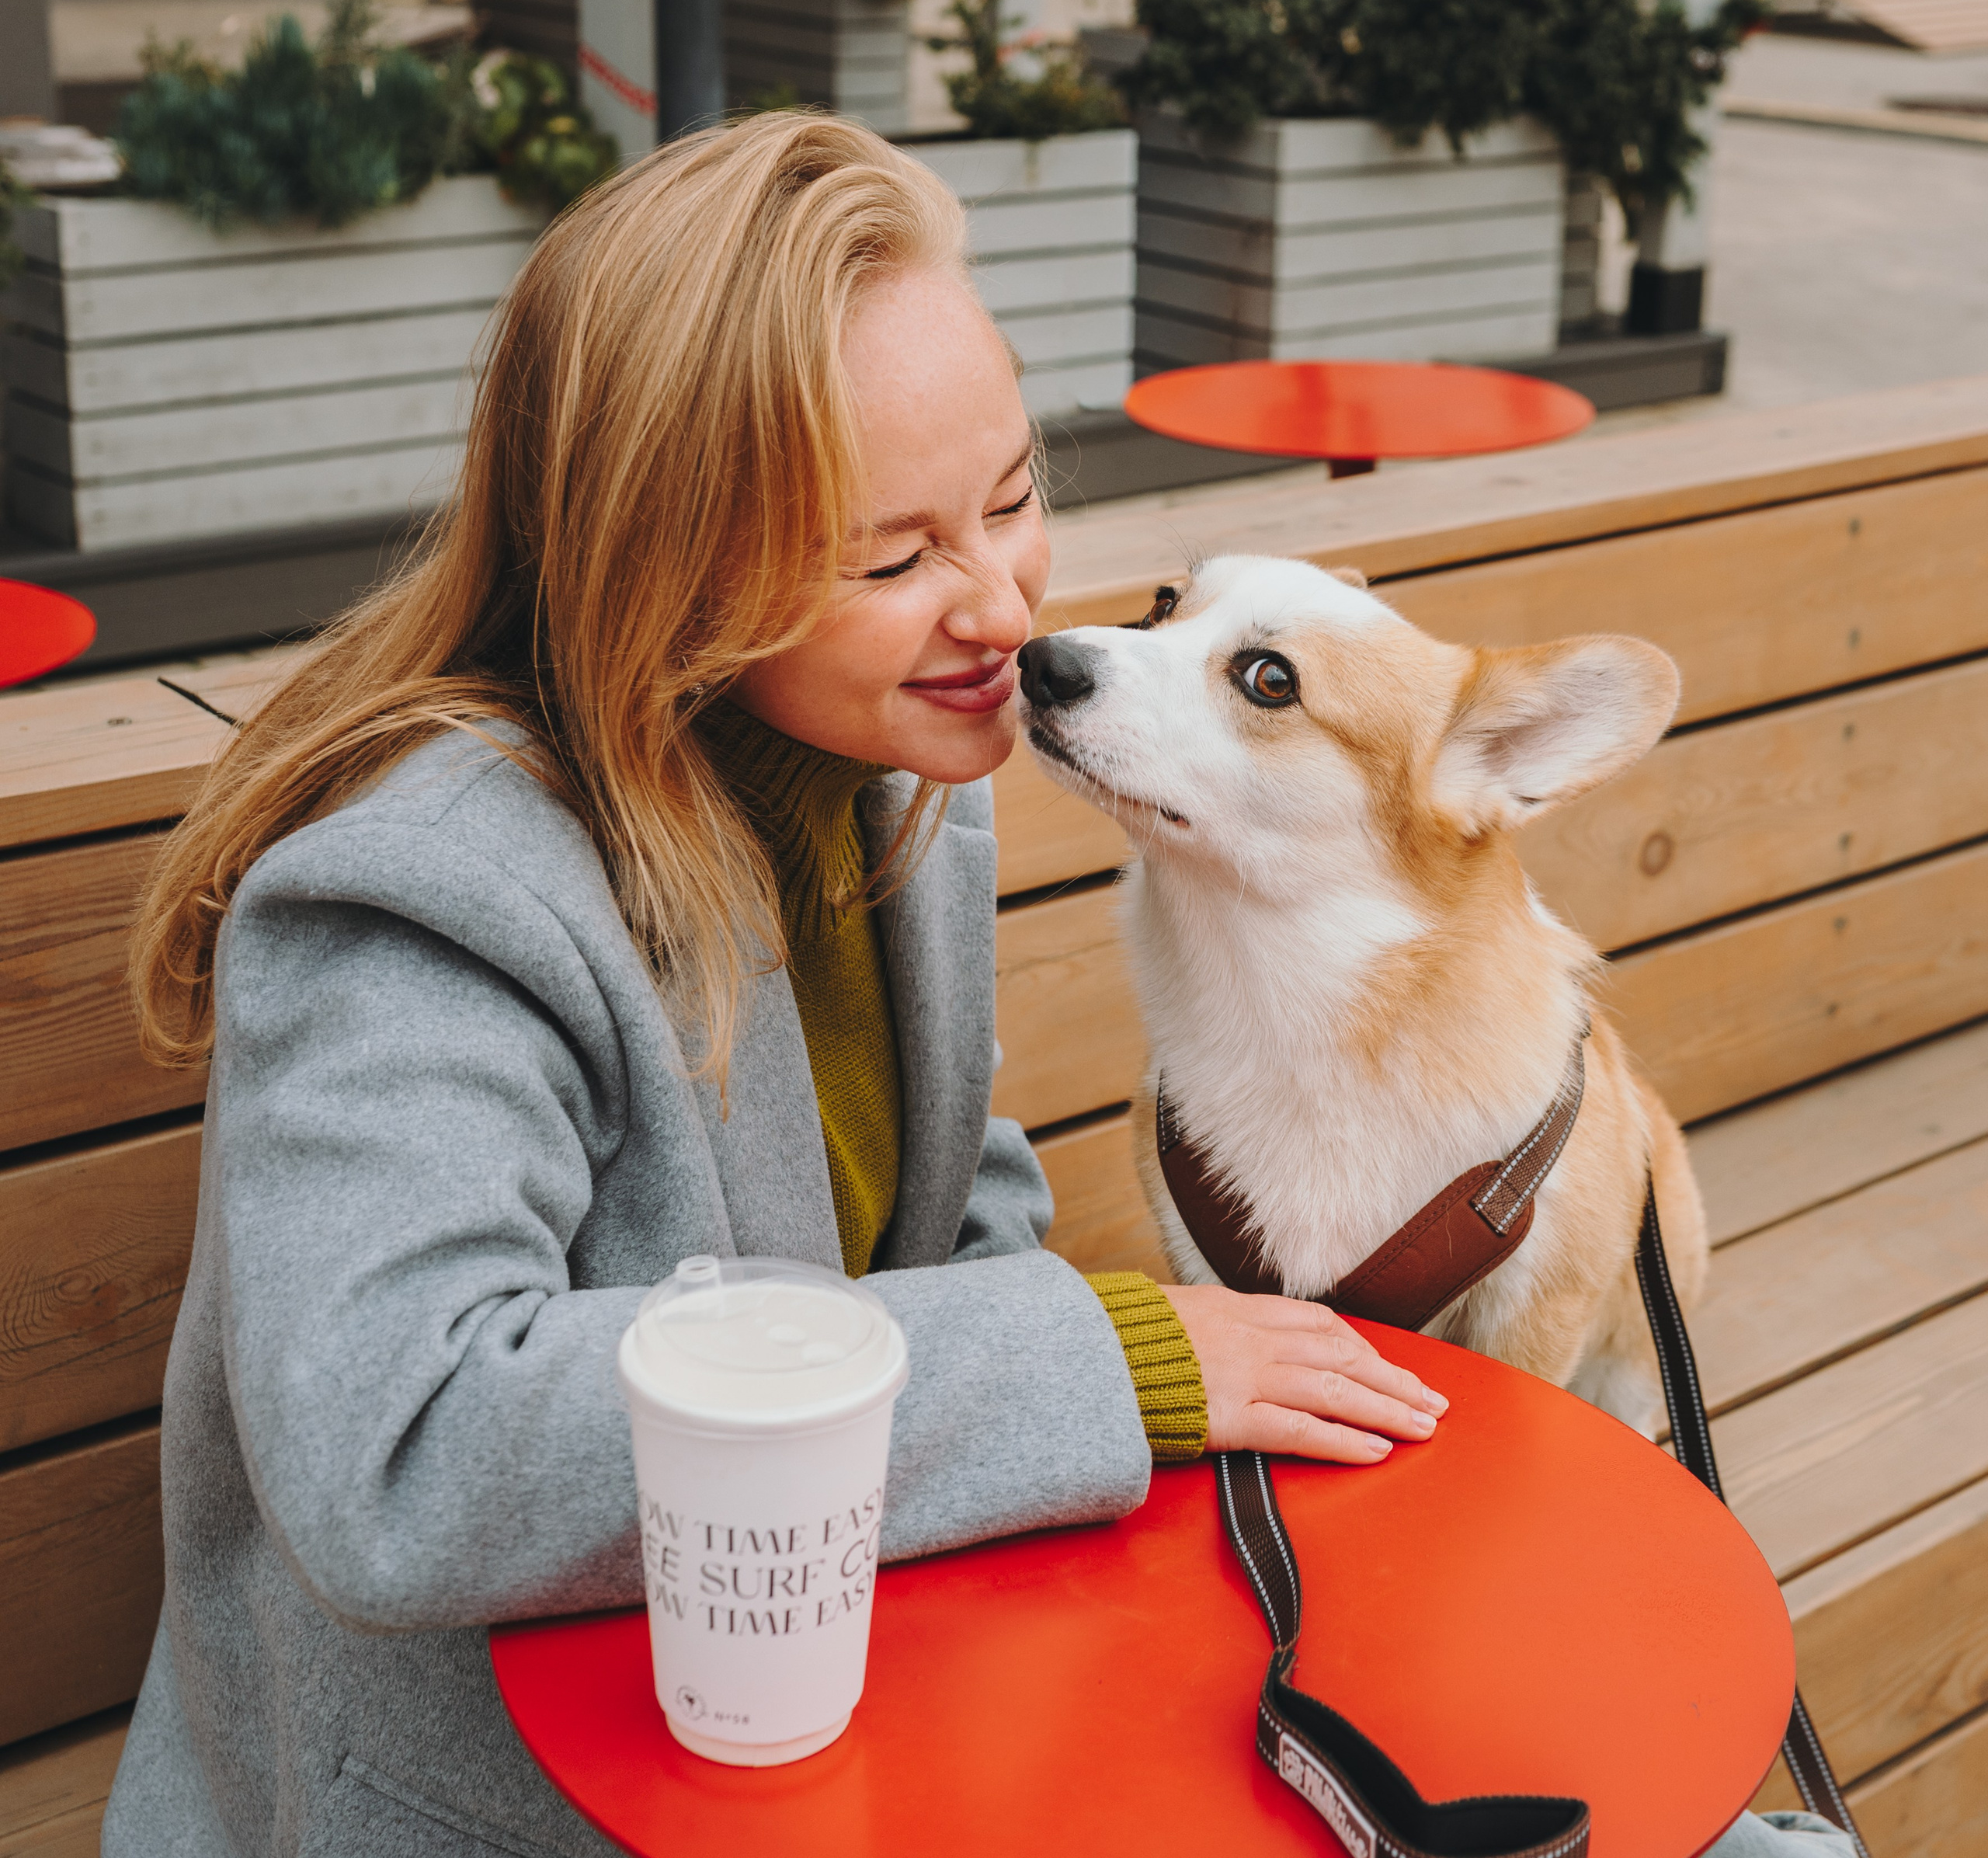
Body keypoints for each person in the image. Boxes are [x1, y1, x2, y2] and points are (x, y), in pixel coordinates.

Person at [106, 113, 1446, 1856]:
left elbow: (944, 1211)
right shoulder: (421, 893)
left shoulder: (894, 775)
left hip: (829, 1719)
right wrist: (1098, 1357)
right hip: (500, 1798)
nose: (1000, 607)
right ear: (659, 571)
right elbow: (406, 1454)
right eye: (888, 560)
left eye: (1016, 496)